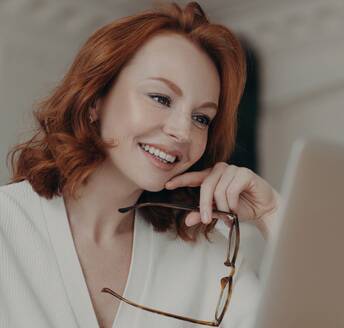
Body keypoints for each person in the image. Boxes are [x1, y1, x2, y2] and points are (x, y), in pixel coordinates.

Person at [0, 2, 280, 328]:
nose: (182, 131)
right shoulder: (8, 228)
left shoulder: (209, 256)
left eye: (201, 118)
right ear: (95, 101)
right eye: (161, 98)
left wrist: (272, 213)